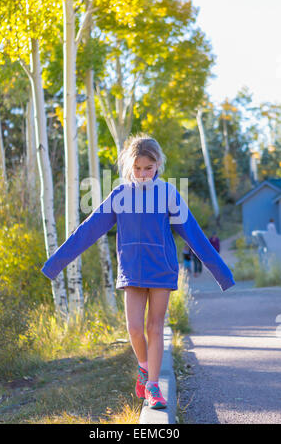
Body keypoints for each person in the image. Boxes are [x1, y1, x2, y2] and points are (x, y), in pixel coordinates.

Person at [41, 133, 235, 410]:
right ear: (129, 166)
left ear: (158, 165)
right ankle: (144, 368)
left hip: (162, 269)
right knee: (133, 328)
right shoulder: (120, 194)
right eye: (137, 168)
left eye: (148, 168)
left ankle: (153, 386)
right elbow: (88, 229)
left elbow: (194, 235)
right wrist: (55, 264)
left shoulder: (169, 193)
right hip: (131, 270)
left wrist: (222, 274)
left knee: (154, 327)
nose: (143, 174)